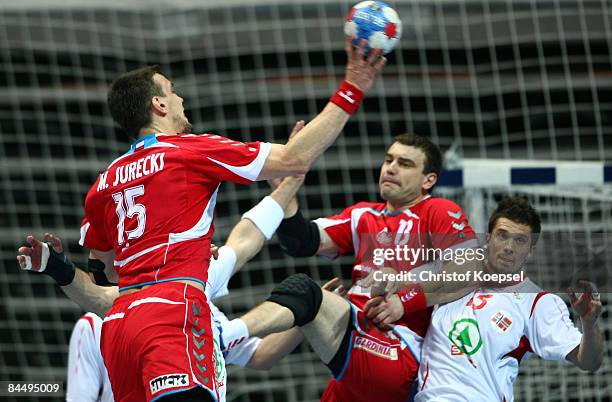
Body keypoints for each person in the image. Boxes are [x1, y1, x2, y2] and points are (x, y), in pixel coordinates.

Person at [73, 39, 385, 402]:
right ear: (158, 104)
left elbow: (105, 268)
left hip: (120, 324)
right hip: (173, 310)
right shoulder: (189, 150)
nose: (181, 100)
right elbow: (295, 158)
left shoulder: (103, 183)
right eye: (174, 93)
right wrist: (353, 87)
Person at [235, 133, 480, 402]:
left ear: (428, 180)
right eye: (388, 160)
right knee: (304, 299)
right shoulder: (364, 216)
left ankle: (227, 336)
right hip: (356, 338)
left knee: (304, 293)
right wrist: (287, 185)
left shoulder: (438, 210)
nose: (391, 168)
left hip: (397, 345)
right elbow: (301, 241)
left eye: (405, 163)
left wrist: (403, 296)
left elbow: (468, 271)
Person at [18, 177, 307, 402]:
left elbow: (246, 239)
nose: (93, 257)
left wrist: (308, 316)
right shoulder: (99, 323)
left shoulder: (194, 285)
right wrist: (57, 268)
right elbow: (100, 298)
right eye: (93, 250)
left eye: (99, 247)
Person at [369, 198, 604, 402]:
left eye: (520, 240)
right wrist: (386, 277)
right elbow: (397, 281)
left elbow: (589, 362)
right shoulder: (449, 273)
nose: (509, 247)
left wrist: (589, 323)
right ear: (488, 238)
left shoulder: (537, 303)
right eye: (502, 236)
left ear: (531, 250)